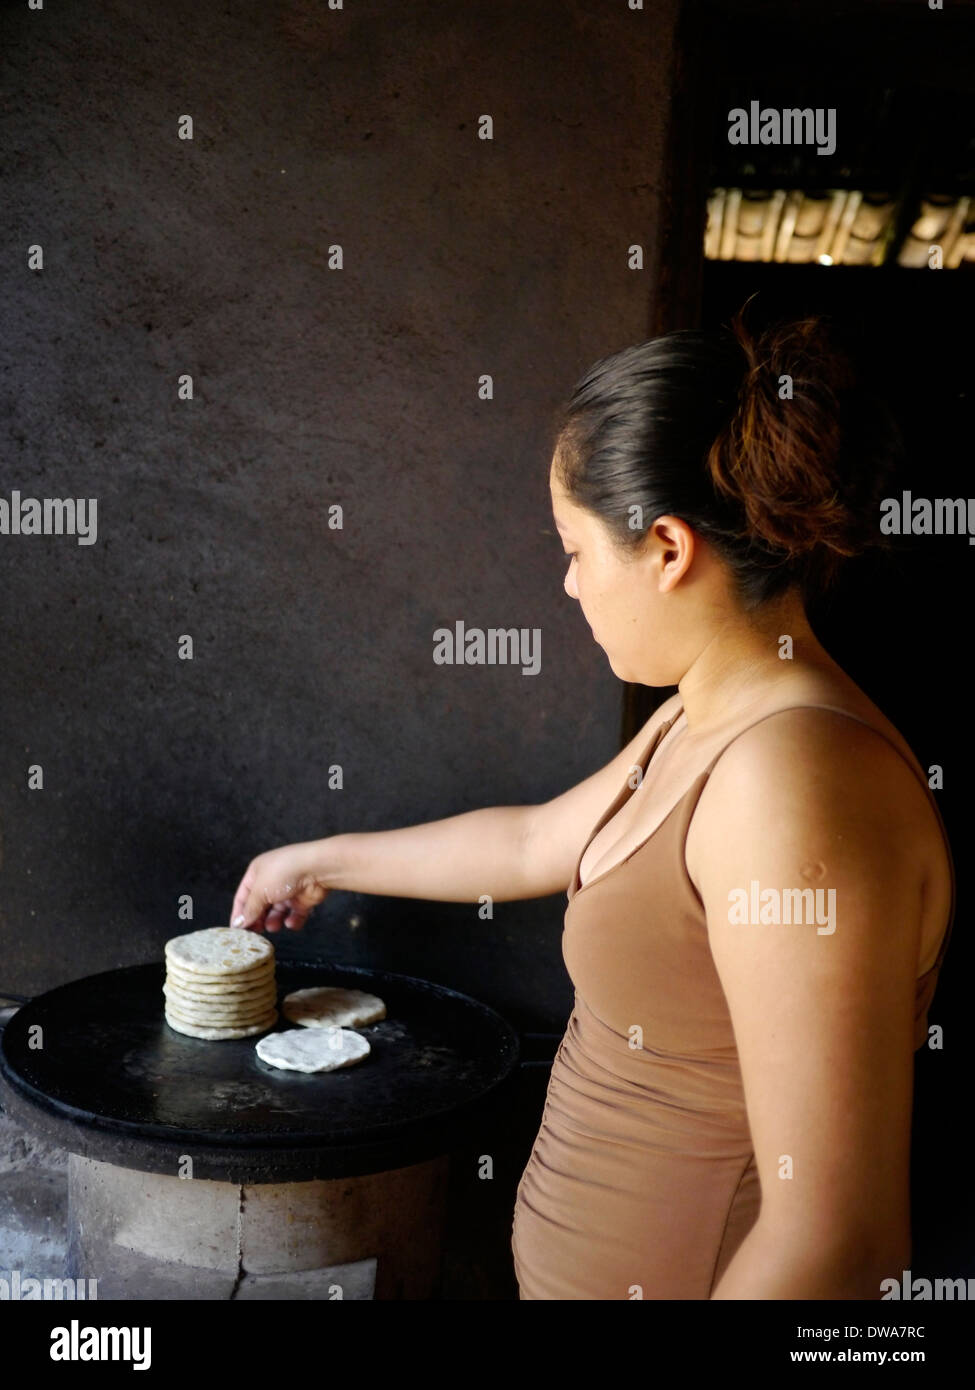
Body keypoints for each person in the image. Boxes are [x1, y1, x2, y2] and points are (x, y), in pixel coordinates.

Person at [229, 308, 955, 1299]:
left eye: (574, 549)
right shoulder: (702, 716)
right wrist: (315, 860)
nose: (568, 586)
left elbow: (840, 1240)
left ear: (666, 548)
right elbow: (534, 841)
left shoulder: (795, 787)